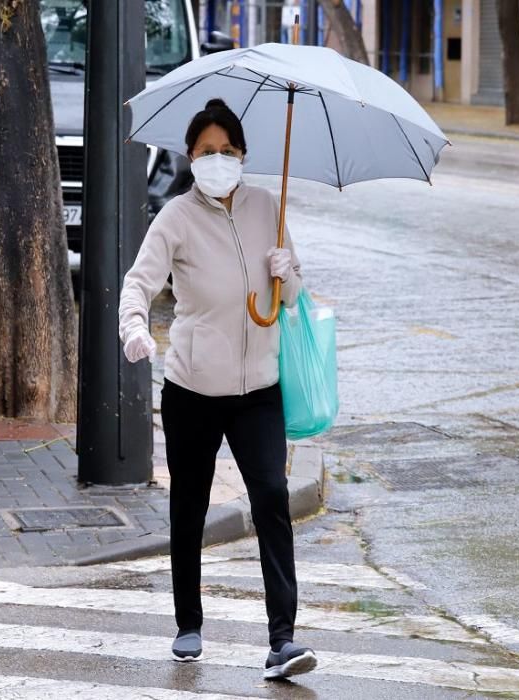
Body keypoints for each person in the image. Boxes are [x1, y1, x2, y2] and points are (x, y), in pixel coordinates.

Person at [118, 98, 317, 680]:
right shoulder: (176, 217)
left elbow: (294, 296)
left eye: (227, 151)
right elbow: (140, 282)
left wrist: (289, 272)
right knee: (190, 503)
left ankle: (283, 638)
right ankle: (188, 623)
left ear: (244, 155)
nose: (218, 161)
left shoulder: (267, 206)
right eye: (207, 152)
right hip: (193, 388)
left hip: (259, 388)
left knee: (273, 500)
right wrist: (134, 327)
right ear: (191, 157)